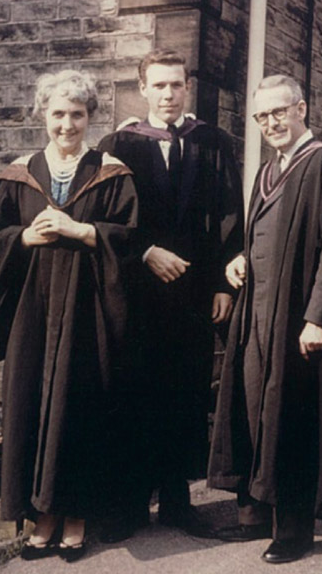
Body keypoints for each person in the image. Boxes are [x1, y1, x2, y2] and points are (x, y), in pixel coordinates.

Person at [0, 70, 138, 562]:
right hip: (33, 310)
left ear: (91, 117)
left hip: (87, 311)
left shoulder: (112, 173)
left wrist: (81, 230)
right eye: (58, 114)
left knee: (79, 407)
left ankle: (75, 517)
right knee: (30, 404)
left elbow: (129, 241)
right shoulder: (17, 174)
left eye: (77, 114)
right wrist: (22, 238)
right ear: (43, 115)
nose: (67, 124)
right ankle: (40, 519)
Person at [208, 74, 322, 563]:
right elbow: (264, 235)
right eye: (261, 116)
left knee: (291, 416)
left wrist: (318, 316)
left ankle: (293, 529)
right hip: (257, 313)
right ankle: (255, 516)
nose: (270, 123)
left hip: (298, 316)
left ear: (301, 109)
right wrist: (242, 257)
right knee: (254, 407)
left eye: (279, 112)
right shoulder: (268, 170)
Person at [98, 49, 244, 540]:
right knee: (135, 389)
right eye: (158, 85)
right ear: (143, 88)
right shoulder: (119, 143)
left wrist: (224, 283)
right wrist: (144, 253)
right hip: (136, 291)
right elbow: (107, 218)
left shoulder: (212, 141)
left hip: (194, 291)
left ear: (187, 87)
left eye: (176, 85)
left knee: (185, 391)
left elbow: (229, 214)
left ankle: (179, 500)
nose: (167, 94)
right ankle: (131, 503)